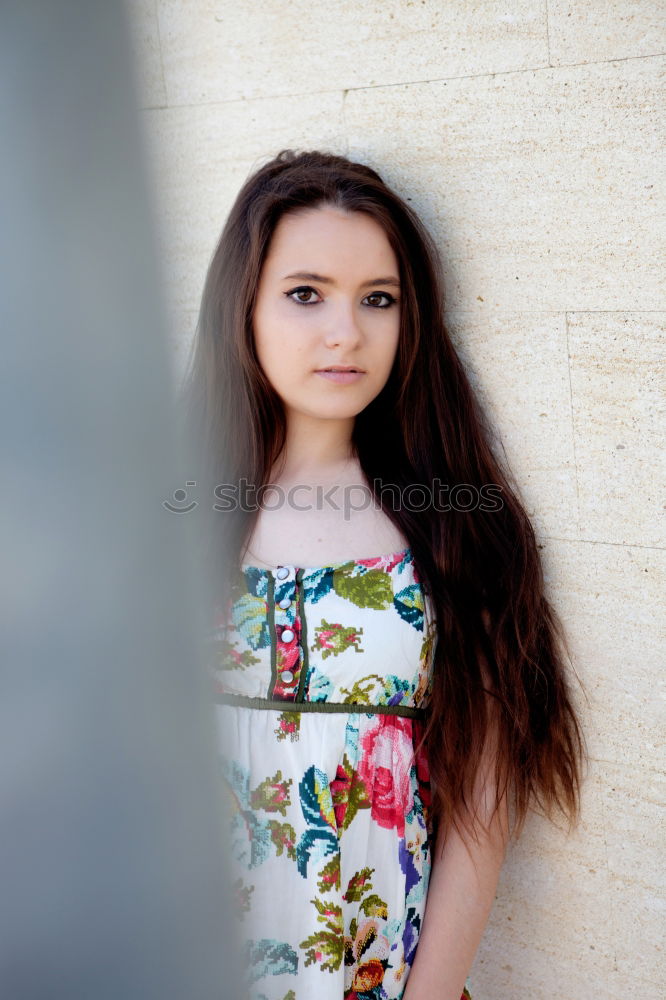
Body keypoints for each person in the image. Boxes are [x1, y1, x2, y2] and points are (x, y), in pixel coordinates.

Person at [180, 149, 586, 1000]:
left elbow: (482, 805)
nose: (346, 332)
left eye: (378, 300)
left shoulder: (456, 526)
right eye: (306, 294)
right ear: (241, 308)